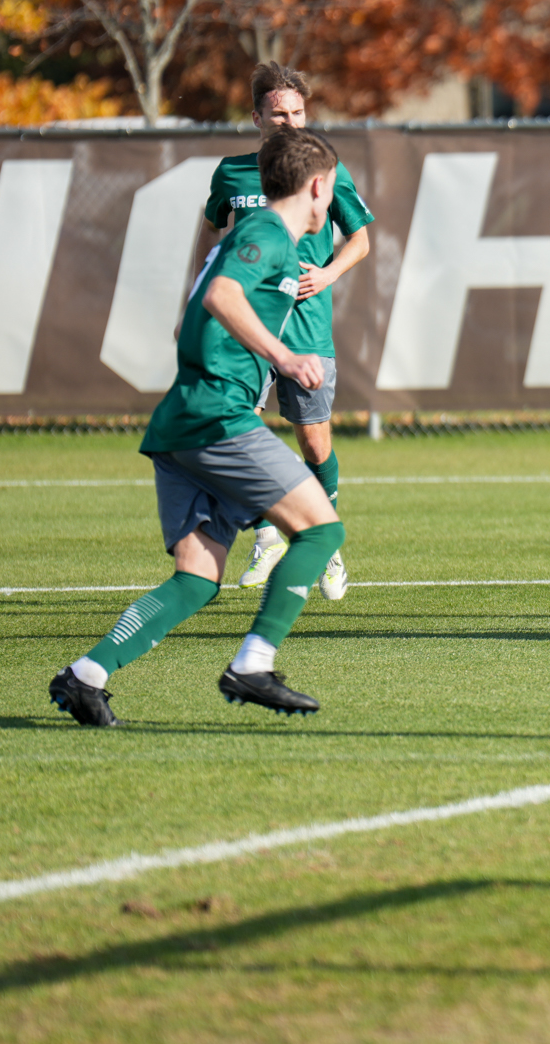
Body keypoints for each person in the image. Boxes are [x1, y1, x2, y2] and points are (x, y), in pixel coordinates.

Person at [47, 129, 347, 725]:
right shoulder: (268, 234)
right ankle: (253, 665)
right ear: (317, 187)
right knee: (321, 532)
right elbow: (221, 295)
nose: (330, 206)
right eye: (332, 192)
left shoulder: (261, 236)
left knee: (198, 577)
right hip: (217, 416)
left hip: (187, 417)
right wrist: (285, 358)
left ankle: (86, 676)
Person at [205, 63, 373, 601]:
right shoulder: (231, 174)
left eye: (298, 112)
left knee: (314, 445)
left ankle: (324, 541)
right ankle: (267, 534)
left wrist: (326, 273)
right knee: (238, 437)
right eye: (279, 112)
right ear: (256, 116)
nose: (290, 121)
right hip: (247, 331)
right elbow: (211, 236)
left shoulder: (327, 171)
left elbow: (362, 240)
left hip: (305, 330)